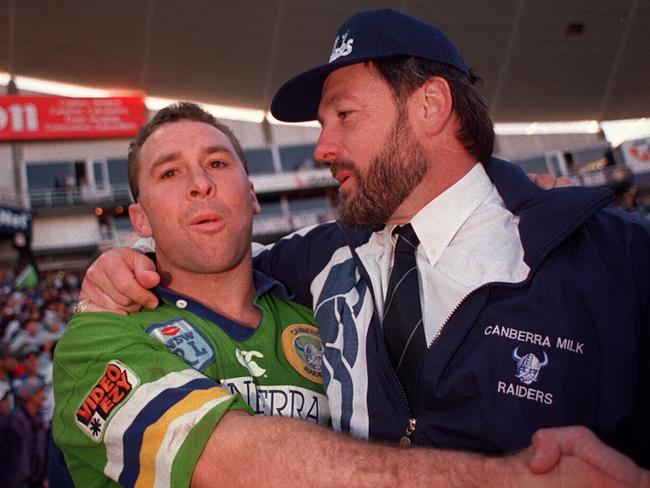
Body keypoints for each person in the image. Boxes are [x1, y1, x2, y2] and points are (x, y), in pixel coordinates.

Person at [79, 10, 650, 484]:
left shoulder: (617, 259)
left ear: (431, 106)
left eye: (344, 116)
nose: (324, 148)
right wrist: (126, 265)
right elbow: (208, 261)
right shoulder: (315, 256)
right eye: (322, 124)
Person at [0, 376, 49, 488]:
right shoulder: (14, 423)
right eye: (41, 392)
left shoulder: (40, 421)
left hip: (36, 482)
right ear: (33, 396)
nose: (45, 397)